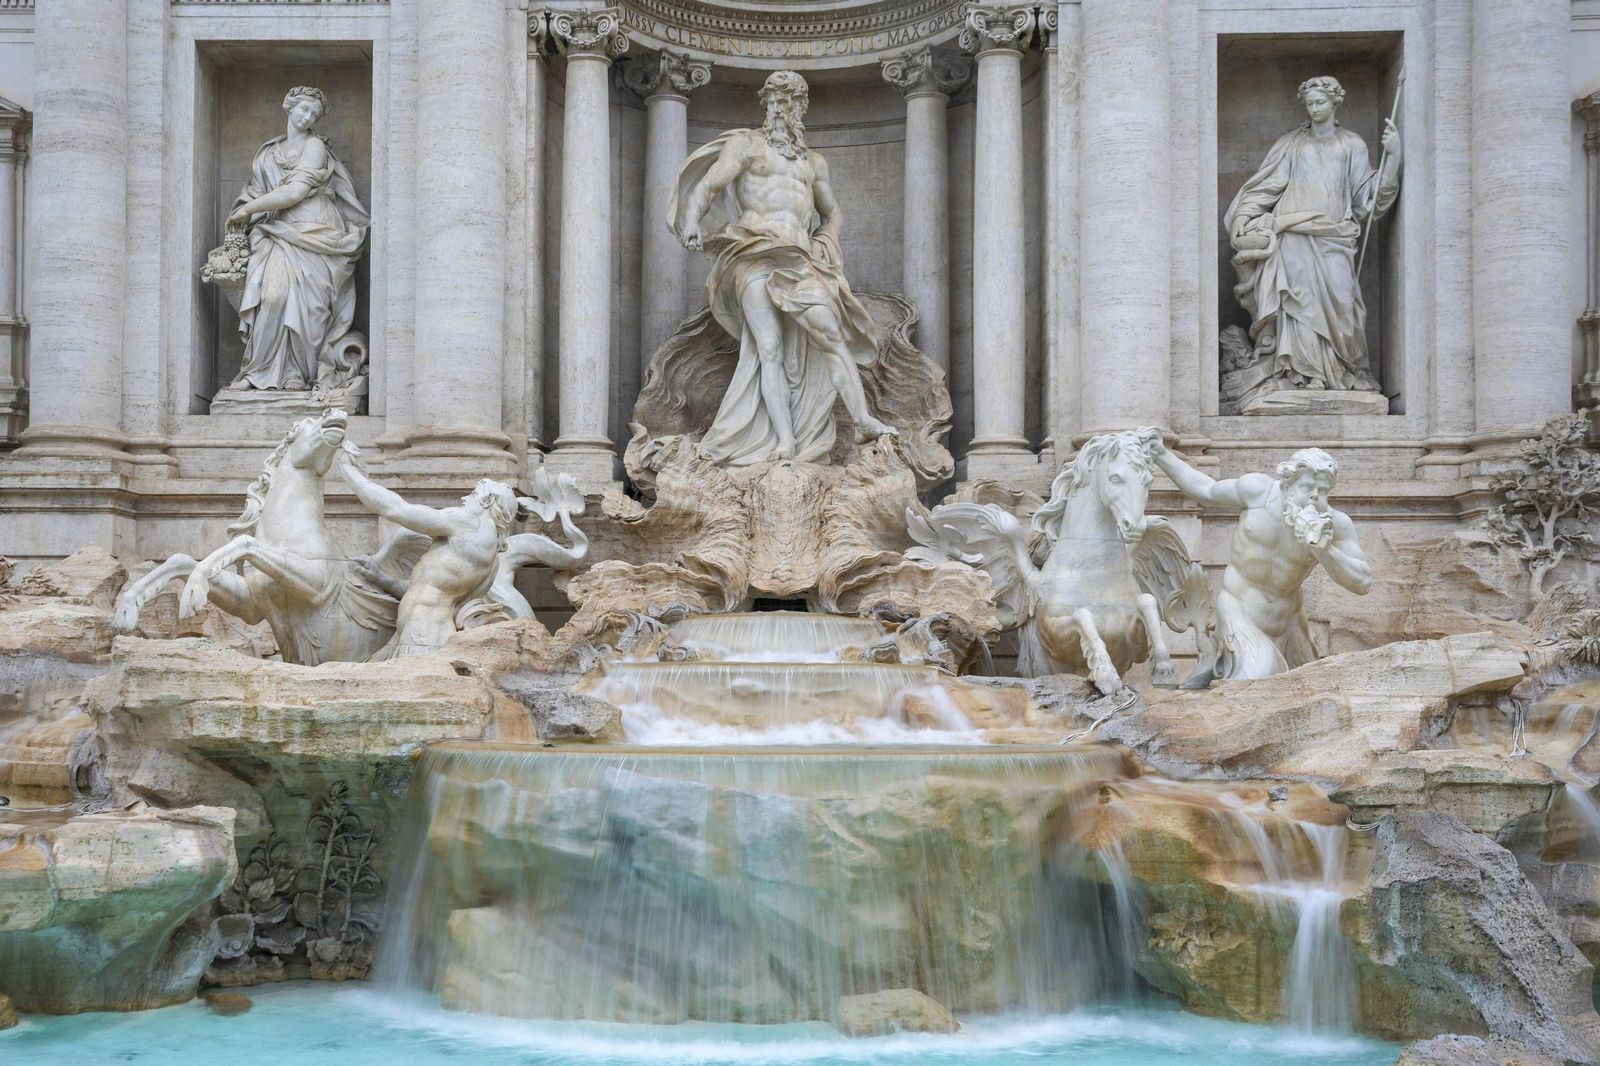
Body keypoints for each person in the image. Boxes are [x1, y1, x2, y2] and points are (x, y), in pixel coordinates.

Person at [669, 70, 897, 466]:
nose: (779, 109)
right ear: (765, 104)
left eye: (787, 102)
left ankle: (862, 419)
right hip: (752, 252)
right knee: (768, 347)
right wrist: (691, 222)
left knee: (831, 334)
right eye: (774, 101)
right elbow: (708, 187)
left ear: (800, 109)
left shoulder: (813, 163)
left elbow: (833, 213)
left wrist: (827, 241)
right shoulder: (746, 145)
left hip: (799, 258)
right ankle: (785, 441)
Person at [1224, 75, 1399, 402]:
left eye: (1321, 102)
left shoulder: (1352, 145)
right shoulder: (1292, 144)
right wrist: (1244, 217)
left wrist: (1394, 159)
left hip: (1335, 237)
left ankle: (1342, 370)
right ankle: (1303, 374)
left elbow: (1369, 200)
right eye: (1310, 104)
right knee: (1297, 304)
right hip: (1293, 236)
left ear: (1335, 103)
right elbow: (1265, 187)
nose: (1315, 109)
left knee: (1344, 306)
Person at [1145, 435, 1371, 682]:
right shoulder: (1258, 492)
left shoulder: (1335, 524)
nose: (1316, 497)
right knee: (1258, 679)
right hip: (1239, 612)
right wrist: (1162, 455)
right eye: (1307, 488)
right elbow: (1205, 490)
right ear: (1288, 484)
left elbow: (1362, 582)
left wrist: (1323, 550)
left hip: (1289, 623)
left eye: (1324, 491)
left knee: (1307, 687)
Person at [226, 86, 368, 392]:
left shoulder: (315, 146)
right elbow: (257, 191)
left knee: (309, 307)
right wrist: (244, 211)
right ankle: (259, 371)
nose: (308, 117)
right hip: (278, 231)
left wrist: (250, 209)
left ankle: (297, 374)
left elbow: (295, 192)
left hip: (316, 230)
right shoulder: (267, 153)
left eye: (314, 114)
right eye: (304, 109)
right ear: (288, 106)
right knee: (274, 296)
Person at [337, 454, 519, 659]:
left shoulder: (470, 523)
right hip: (418, 634)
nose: (464, 499)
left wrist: (348, 471)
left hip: (422, 637)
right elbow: (428, 588)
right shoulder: (487, 552)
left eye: (473, 494)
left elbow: (396, 509)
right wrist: (381, 578)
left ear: (486, 501)